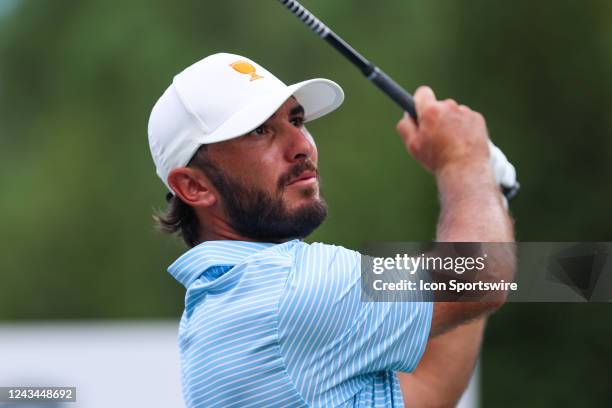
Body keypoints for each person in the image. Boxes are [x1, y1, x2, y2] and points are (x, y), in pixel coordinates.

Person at [147, 53, 515, 408]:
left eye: (296, 120)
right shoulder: (289, 287)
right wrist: (463, 159)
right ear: (195, 187)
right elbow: (481, 275)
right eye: (260, 131)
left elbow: (428, 390)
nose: (302, 146)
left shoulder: (225, 305)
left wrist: (482, 184)